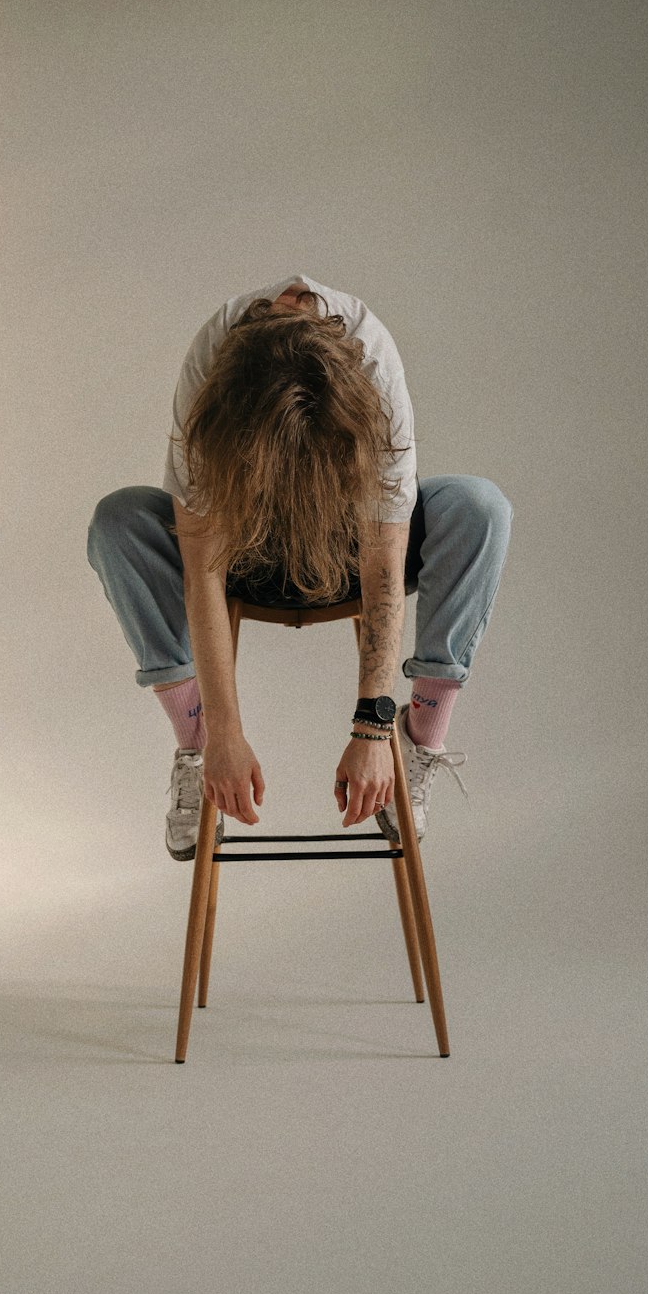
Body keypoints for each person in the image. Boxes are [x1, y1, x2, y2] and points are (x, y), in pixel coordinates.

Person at [87, 272, 514, 861]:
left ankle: (420, 742)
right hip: (246, 548)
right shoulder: (212, 364)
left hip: (351, 549)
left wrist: (372, 728)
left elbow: (385, 561)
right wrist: (224, 737)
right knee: (120, 520)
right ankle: (194, 740)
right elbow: (203, 566)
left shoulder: (374, 362)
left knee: (479, 507)